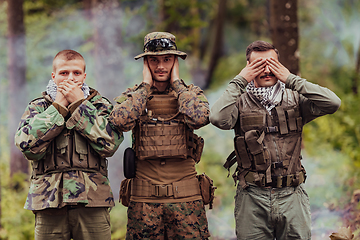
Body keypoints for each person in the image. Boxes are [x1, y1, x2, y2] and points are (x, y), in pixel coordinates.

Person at [210, 40, 341, 240]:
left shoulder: (296, 99)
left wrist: (291, 79)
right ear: (248, 68)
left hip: (292, 196)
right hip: (252, 197)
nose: (266, 70)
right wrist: (239, 81)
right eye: (259, 65)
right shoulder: (239, 102)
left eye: (272, 64)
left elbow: (333, 103)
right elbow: (217, 118)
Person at [109, 32, 212, 239]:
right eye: (154, 60)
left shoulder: (189, 93)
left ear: (176, 61)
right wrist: (145, 87)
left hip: (186, 199)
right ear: (145, 63)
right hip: (144, 201)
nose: (161, 66)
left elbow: (200, 118)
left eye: (167, 59)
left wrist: (177, 84)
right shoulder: (134, 96)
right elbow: (119, 121)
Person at [15, 49, 123, 240]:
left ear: (84, 75)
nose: (70, 79)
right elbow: (26, 145)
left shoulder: (100, 106)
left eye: (76, 73)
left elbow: (110, 144)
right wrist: (57, 108)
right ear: (53, 75)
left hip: (93, 203)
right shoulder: (38, 107)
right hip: (49, 203)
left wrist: (79, 105)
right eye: (64, 73)